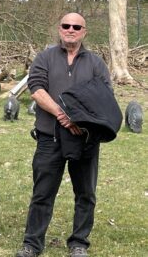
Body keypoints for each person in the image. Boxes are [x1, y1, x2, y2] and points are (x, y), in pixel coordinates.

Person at [15, 13, 113, 257]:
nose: (71, 29)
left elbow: (104, 97)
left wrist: (80, 121)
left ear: (84, 32)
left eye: (76, 26)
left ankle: (79, 243)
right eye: (66, 25)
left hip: (85, 139)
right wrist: (62, 114)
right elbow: (36, 88)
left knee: (85, 194)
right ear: (59, 29)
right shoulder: (45, 57)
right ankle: (32, 244)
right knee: (42, 193)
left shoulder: (96, 63)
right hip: (50, 138)